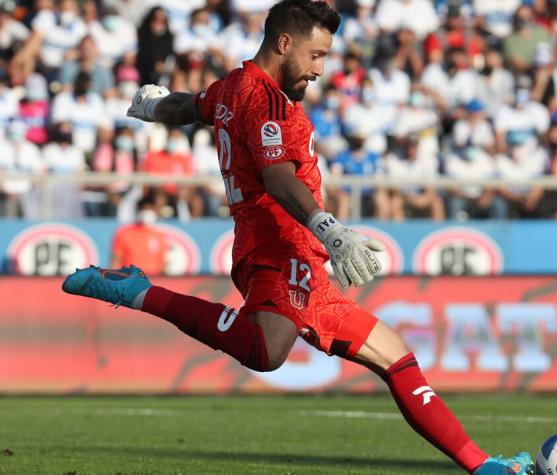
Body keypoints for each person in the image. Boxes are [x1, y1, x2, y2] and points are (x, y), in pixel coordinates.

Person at [61, 2, 533, 475]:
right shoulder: (263, 99)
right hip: (280, 248)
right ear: (284, 43)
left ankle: (484, 467)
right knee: (265, 351)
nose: (319, 70)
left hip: (298, 259)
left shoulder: (230, 88)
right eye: (315, 55)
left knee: (396, 358)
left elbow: (190, 106)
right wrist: (331, 230)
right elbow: (277, 176)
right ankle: (140, 292)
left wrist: (153, 107)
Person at [110, 196, 169, 276]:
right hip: (130, 280)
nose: (147, 212)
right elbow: (116, 260)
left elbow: (163, 263)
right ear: (138, 211)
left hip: (154, 281)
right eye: (144, 209)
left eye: (150, 209)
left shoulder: (160, 235)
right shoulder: (124, 233)